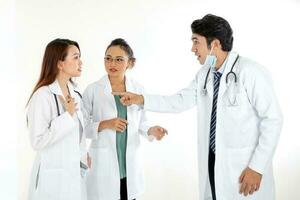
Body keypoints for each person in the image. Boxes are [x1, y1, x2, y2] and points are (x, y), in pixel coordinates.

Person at [113, 14, 283, 200]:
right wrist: (140, 99)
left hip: (244, 166)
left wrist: (257, 167)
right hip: (213, 162)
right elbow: (178, 101)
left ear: (215, 44)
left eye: (196, 42)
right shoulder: (205, 74)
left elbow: (273, 120)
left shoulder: (251, 72)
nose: (192, 49)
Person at [82, 38, 168, 200]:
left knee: (128, 195)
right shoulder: (93, 90)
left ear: (130, 63)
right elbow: (82, 127)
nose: (112, 63)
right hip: (103, 164)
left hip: (129, 163)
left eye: (119, 59)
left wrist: (152, 130)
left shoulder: (138, 89)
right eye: (108, 58)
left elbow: (142, 123)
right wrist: (106, 124)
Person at [26, 38, 91, 200]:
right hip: (52, 178)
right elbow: (37, 141)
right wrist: (67, 116)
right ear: (60, 63)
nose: (81, 62)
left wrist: (84, 154)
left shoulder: (75, 94)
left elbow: (78, 133)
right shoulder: (43, 96)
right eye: (75, 57)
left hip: (74, 176)